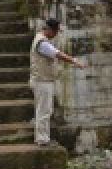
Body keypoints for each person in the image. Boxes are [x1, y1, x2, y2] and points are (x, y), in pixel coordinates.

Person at [29, 17, 86, 146]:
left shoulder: (41, 39)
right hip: (42, 81)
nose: (55, 35)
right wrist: (74, 61)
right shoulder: (42, 42)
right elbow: (57, 53)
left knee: (43, 110)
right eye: (55, 31)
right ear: (49, 29)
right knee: (44, 111)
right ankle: (42, 140)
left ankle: (42, 138)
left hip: (43, 80)